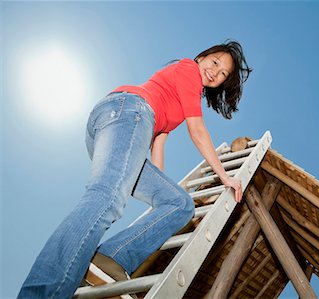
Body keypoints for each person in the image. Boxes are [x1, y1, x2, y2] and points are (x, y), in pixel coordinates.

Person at [18, 40, 252, 299]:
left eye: (222, 75)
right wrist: (225, 177)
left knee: (180, 204)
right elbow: (197, 131)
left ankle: (111, 259)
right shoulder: (187, 69)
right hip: (129, 113)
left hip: (122, 123)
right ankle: (40, 293)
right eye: (215, 62)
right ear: (201, 57)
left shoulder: (178, 94)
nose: (215, 73)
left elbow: (158, 142)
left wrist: (159, 194)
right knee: (106, 199)